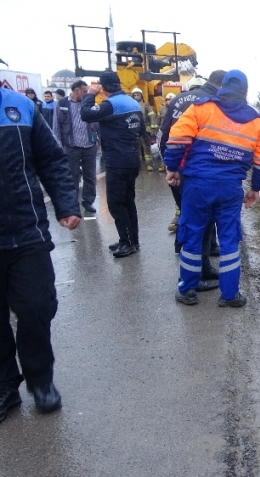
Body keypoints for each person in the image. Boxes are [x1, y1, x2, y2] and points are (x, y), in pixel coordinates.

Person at [0, 88, 81, 422]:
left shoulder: (19, 106)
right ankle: (5, 385)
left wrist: (65, 203)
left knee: (37, 307)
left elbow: (51, 159)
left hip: (25, 230)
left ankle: (41, 380)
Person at [164, 70, 260, 307]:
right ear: (245, 92)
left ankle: (187, 289)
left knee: (192, 234)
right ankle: (230, 294)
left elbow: (177, 138)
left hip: (197, 185)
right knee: (229, 239)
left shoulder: (201, 108)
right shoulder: (256, 123)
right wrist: (255, 189)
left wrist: (172, 168)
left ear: (222, 86)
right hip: (231, 189)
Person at [157, 72, 226, 290]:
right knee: (199, 225)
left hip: (179, 169)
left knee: (191, 221)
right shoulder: (214, 104)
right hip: (198, 172)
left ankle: (202, 268)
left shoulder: (179, 99)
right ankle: (191, 281)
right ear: (221, 85)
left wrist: (170, 167)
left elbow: (163, 135)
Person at [81, 72, 144, 258]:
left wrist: (90, 95)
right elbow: (140, 129)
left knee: (116, 203)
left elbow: (85, 114)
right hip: (132, 158)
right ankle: (133, 239)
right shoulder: (132, 102)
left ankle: (127, 243)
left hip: (117, 160)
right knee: (128, 201)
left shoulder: (110, 105)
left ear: (103, 86)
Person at [53, 80, 99, 213]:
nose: (87, 94)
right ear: (76, 90)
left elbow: (96, 125)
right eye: (85, 91)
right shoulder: (62, 104)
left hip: (89, 145)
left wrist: (100, 142)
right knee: (72, 176)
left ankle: (88, 201)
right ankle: (73, 203)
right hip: (71, 146)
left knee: (90, 176)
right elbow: (56, 127)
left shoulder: (89, 103)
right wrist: (58, 147)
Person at [131, 87, 160, 172]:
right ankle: (138, 164)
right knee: (136, 148)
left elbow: (152, 116)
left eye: (138, 95)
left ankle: (149, 164)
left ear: (141, 96)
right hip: (134, 131)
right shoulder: (130, 106)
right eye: (135, 95)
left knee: (146, 148)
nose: (136, 97)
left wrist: (153, 127)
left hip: (145, 131)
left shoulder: (146, 105)